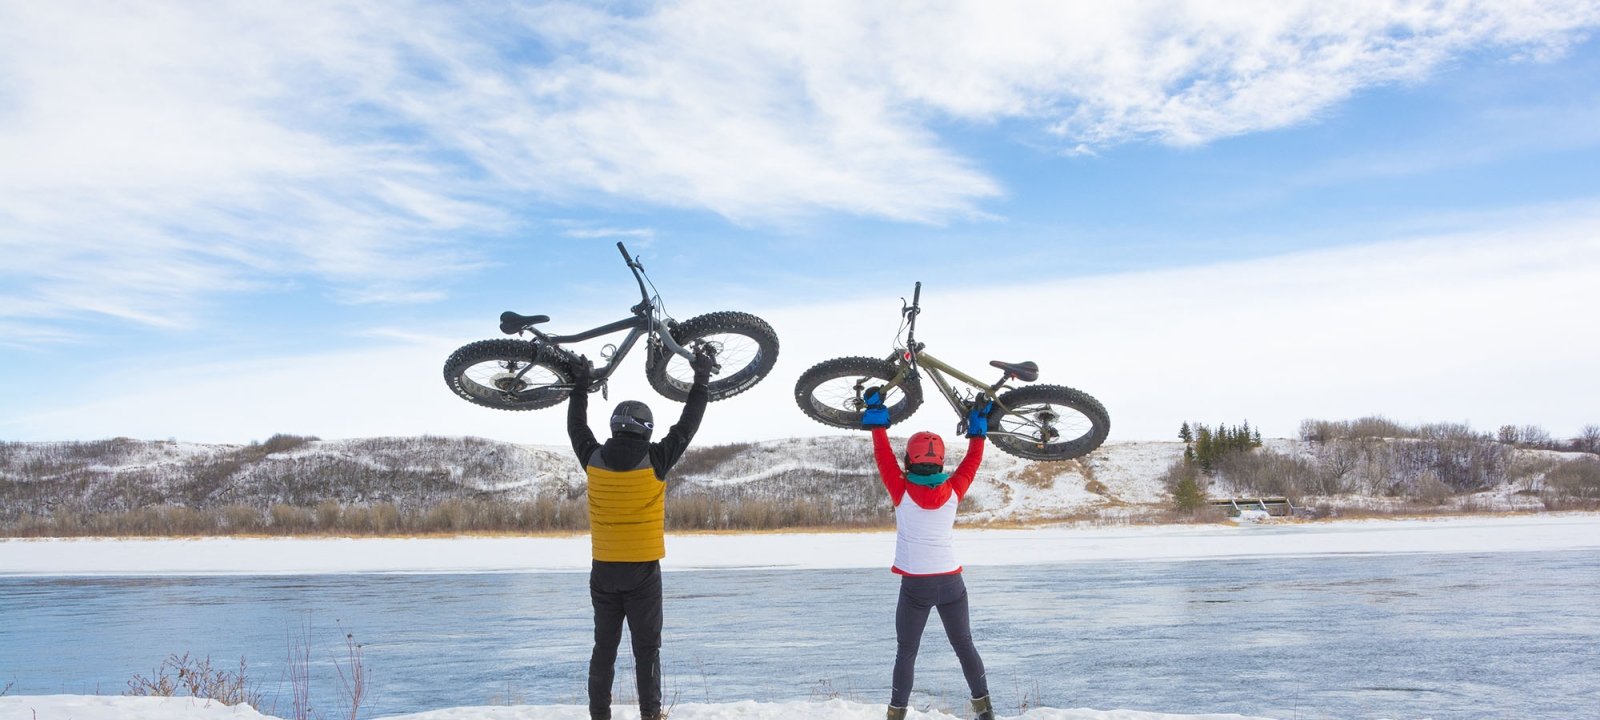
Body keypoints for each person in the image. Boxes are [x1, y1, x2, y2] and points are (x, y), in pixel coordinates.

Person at [567, 347, 717, 720]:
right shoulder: (656, 459)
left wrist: (581, 384)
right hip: (642, 572)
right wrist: (701, 377)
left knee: (604, 648)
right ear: (645, 428)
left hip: (603, 571)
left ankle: (599, 716)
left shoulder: (593, 459)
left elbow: (576, 427)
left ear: (616, 426)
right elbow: (689, 424)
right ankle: (651, 715)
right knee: (646, 651)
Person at [862, 387, 997, 720]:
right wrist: (977, 431)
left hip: (916, 587)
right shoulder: (952, 489)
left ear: (909, 460)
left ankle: (896, 715)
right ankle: (985, 711)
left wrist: (878, 420)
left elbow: (883, 457)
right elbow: (973, 461)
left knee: (907, 652)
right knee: (964, 646)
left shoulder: (901, 488)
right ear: (940, 461)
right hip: (952, 581)